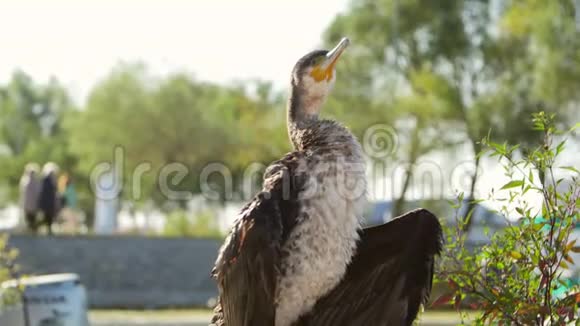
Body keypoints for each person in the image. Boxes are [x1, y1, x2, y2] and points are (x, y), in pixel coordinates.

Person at [38, 162, 60, 235]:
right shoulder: (45, 180)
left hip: (50, 201)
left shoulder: (52, 180)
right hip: (47, 201)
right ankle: (45, 228)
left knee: (49, 216)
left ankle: (48, 228)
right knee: (47, 216)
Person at [19, 163, 41, 233]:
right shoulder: (25, 180)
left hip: (32, 203)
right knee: (29, 218)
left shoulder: (34, 180)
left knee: (32, 218)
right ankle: (30, 230)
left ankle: (32, 230)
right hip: (28, 203)